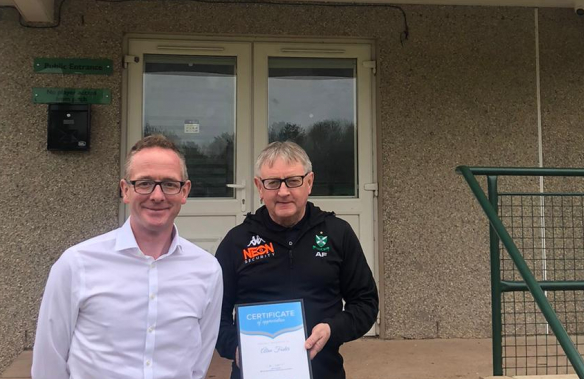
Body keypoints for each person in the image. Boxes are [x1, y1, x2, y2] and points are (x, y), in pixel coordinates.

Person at [32, 134, 223, 379]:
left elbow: (198, 364)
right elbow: (49, 362)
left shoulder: (207, 271)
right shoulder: (76, 264)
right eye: (144, 183)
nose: (157, 196)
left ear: (184, 191)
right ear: (125, 190)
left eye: (169, 184)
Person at [215, 141, 378, 379]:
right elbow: (213, 316)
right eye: (272, 182)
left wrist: (333, 329)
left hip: (324, 372)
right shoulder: (237, 242)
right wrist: (236, 349)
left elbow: (366, 303)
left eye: (293, 181)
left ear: (309, 182)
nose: (283, 192)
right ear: (259, 187)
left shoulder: (337, 234)